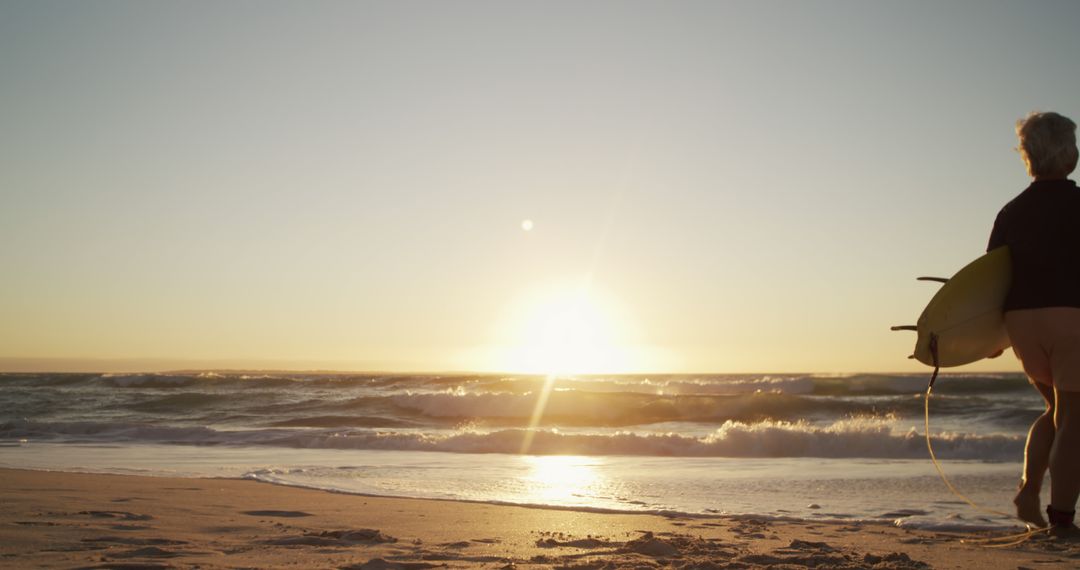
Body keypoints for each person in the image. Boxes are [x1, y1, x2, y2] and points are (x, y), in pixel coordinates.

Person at [987, 111, 1080, 531]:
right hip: (1071, 320)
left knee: (1057, 410)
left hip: (1021, 323)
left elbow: (991, 278)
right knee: (1076, 419)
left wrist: (993, 338)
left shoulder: (1010, 212)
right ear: (1066, 155)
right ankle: (1061, 520)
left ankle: (1028, 491)